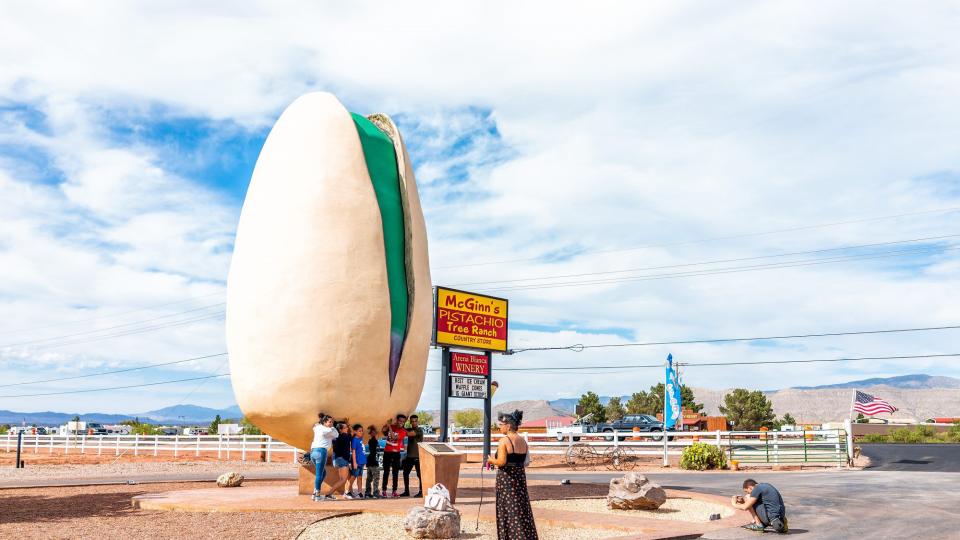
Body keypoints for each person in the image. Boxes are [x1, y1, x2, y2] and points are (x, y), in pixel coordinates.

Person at [488, 410, 538, 540]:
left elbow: (501, 462)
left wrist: (490, 460)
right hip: (520, 478)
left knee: (509, 509)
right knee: (521, 507)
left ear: (508, 426)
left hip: (507, 480)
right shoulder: (523, 441)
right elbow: (525, 461)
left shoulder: (504, 441)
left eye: (501, 424)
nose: (499, 427)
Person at [309, 413, 337, 501]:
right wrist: (332, 427)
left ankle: (315, 493)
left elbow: (315, 425)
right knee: (319, 474)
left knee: (323, 473)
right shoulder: (328, 430)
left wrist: (321, 421)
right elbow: (337, 435)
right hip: (321, 452)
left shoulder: (317, 427)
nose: (331, 423)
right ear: (324, 422)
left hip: (313, 452)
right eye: (330, 422)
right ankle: (317, 495)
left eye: (332, 422)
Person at [381, 414, 407, 498]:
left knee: (395, 473)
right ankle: (384, 490)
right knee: (386, 472)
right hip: (387, 452)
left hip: (396, 453)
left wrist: (389, 427)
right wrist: (387, 426)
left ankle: (394, 491)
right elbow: (383, 432)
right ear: (397, 420)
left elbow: (393, 437)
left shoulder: (403, 431)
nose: (401, 423)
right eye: (400, 421)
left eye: (403, 422)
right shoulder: (391, 426)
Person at [400, 414, 424, 497]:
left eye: (415, 421)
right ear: (410, 422)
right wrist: (404, 421)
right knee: (405, 473)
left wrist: (403, 427)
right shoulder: (409, 429)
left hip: (418, 456)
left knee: (420, 475)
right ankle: (406, 491)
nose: (414, 423)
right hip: (410, 456)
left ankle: (421, 492)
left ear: (418, 421)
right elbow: (402, 429)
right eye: (412, 421)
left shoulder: (419, 430)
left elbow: (409, 434)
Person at [330, 421, 353, 499]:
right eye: (345, 427)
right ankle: (329, 494)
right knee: (343, 479)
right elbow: (351, 434)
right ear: (340, 429)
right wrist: (349, 426)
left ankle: (346, 492)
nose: (347, 428)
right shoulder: (346, 436)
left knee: (345, 478)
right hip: (342, 459)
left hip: (337, 459)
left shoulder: (335, 437)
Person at [348, 423, 367, 498]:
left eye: (362, 431)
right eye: (359, 431)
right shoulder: (354, 440)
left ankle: (360, 492)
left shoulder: (360, 439)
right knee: (353, 477)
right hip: (357, 462)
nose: (361, 432)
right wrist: (355, 463)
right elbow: (353, 452)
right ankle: (347, 491)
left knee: (360, 477)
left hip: (362, 462)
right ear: (355, 432)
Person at [364, 425, 382, 499]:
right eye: (373, 432)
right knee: (376, 478)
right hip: (373, 460)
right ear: (371, 433)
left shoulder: (371, 440)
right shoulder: (373, 440)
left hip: (370, 460)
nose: (375, 433)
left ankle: (367, 493)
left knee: (369, 478)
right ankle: (375, 492)